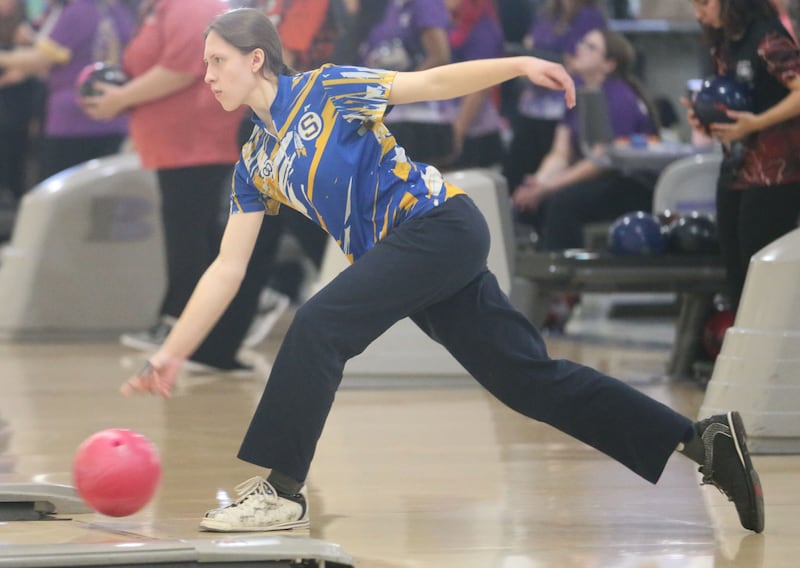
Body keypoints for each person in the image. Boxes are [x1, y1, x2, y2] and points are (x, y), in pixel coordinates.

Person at [120, 7, 764, 535]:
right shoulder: (255, 161)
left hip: (439, 227)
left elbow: (426, 84)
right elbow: (227, 268)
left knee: (319, 324)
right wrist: (173, 353)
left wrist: (517, 64)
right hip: (411, 257)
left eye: (216, 62)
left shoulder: (325, 88)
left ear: (255, 58)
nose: (206, 76)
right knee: (529, 382)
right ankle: (702, 443)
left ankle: (282, 490)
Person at [81, 0, 250, 371]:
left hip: (196, 142)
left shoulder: (190, 6)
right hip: (179, 144)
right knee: (192, 235)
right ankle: (200, 340)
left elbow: (183, 68)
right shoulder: (162, 7)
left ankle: (184, 330)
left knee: (190, 237)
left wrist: (120, 98)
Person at [683, 0, 800, 311]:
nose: (699, 13)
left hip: (776, 172)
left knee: (759, 268)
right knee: (735, 272)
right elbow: (732, 103)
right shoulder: (724, 42)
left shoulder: (767, 36)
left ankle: (772, 353)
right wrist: (706, 120)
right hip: (736, 167)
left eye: (704, 3)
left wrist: (757, 123)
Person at [512, 29, 660, 251]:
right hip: (597, 177)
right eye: (581, 41)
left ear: (609, 63)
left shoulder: (621, 98)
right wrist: (538, 182)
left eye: (590, 47)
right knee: (527, 202)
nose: (578, 49)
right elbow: (560, 153)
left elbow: (601, 161)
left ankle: (566, 280)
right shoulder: (579, 93)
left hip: (630, 182)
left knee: (561, 203)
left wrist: (548, 188)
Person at [0, 0, 136, 181]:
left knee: (63, 195)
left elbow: (39, 59)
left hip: (73, 121)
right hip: (115, 118)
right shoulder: (117, 11)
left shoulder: (77, 12)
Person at [503, 0, 606, 198]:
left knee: (551, 173)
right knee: (515, 174)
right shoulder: (547, 14)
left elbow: (581, 62)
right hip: (532, 105)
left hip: (563, 104)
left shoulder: (590, 16)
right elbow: (529, 45)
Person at [443, 0, 506, 170]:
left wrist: (457, 133)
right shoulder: (447, 23)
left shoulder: (483, 26)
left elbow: (480, 87)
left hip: (474, 130)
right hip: (448, 120)